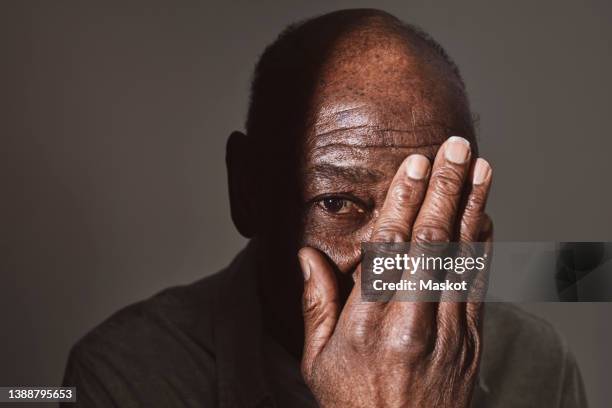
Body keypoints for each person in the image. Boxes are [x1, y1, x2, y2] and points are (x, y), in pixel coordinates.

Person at [62, 9, 587, 407]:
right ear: (246, 192)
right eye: (337, 203)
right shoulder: (127, 376)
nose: (394, 262)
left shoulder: (537, 364)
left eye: (431, 205)